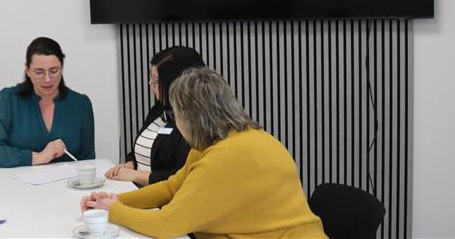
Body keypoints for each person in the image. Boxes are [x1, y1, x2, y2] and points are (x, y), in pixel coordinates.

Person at [81, 68, 327, 239]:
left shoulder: (225, 158)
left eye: (176, 113)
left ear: (191, 118)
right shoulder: (220, 141)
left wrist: (113, 210)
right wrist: (111, 202)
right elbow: (172, 188)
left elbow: (167, 223)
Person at [0, 37, 95, 167]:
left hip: (65, 185)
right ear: (27, 70)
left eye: (53, 71)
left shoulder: (81, 104)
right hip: (15, 185)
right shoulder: (7, 100)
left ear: (62, 68)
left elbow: (88, 160)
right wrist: (39, 157)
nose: (47, 79)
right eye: (39, 72)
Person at [105, 46, 204, 186]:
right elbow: (137, 149)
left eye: (156, 81)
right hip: (137, 190)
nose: (150, 84)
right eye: (151, 78)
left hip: (164, 200)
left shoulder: (194, 123)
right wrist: (130, 164)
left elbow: (181, 177)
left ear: (175, 84)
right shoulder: (159, 108)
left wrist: (135, 175)